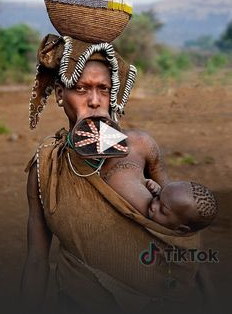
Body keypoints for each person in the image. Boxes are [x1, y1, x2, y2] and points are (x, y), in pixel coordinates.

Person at [20, 33, 212, 314]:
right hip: (80, 302)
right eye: (81, 89)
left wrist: (215, 301)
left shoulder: (140, 146)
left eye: (104, 89)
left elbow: (184, 231)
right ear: (61, 95)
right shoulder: (46, 165)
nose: (95, 100)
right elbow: (37, 259)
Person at [104, 172, 217, 232]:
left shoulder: (168, 242)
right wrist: (155, 189)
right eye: (158, 197)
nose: (153, 205)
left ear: (181, 228)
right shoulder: (168, 208)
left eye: (162, 210)